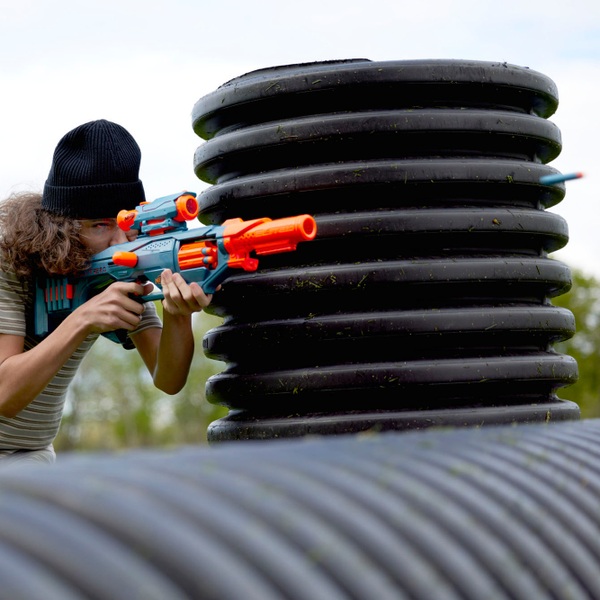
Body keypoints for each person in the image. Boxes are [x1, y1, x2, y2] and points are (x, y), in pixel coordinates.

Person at [0, 119, 213, 464]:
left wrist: (177, 316)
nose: (118, 243)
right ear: (62, 226)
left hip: (33, 453)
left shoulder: (121, 268)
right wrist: (82, 319)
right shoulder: (8, 259)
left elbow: (168, 379)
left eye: (125, 224)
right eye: (100, 225)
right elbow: (4, 394)